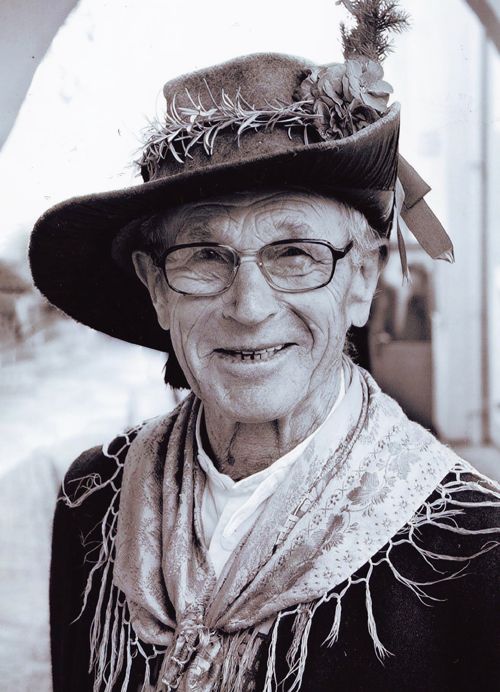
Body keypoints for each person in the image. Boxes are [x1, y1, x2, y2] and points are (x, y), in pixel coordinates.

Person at [29, 2, 499, 691]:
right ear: (157, 289)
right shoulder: (94, 497)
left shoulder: (475, 549)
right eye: (203, 256)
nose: (249, 307)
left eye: (295, 253)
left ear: (362, 281)